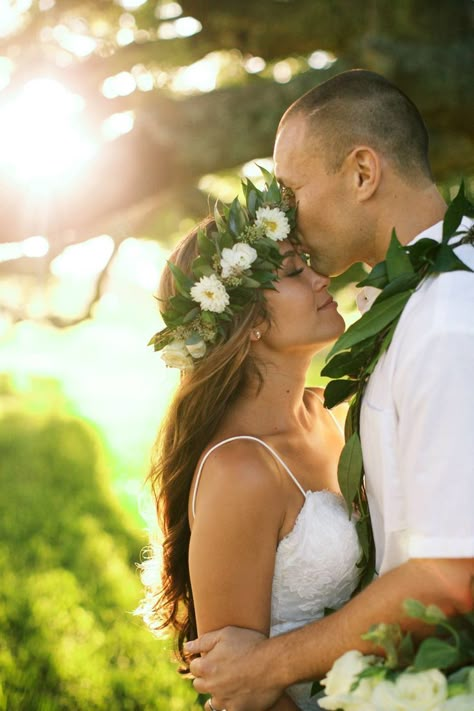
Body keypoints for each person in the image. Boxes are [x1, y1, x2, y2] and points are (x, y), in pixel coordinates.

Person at [185, 70, 474, 710]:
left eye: (291, 189)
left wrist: (266, 666)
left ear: (363, 174)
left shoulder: (449, 318)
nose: (284, 214)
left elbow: (454, 570)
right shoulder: (415, 303)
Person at [137, 190, 371, 710]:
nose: (320, 278)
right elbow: (241, 691)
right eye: (293, 271)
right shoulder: (241, 470)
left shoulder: (326, 413)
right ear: (249, 321)